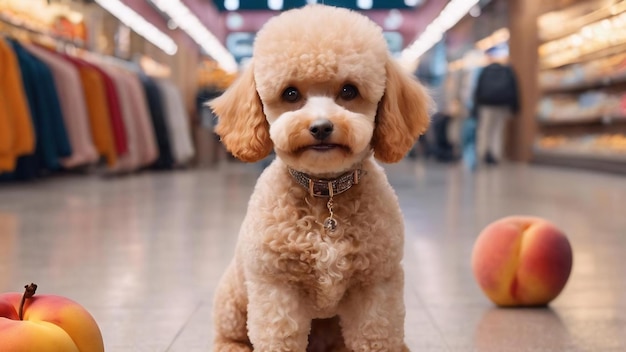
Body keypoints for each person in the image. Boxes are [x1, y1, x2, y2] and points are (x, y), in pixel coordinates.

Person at [473, 44, 519, 165]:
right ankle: (496, 155)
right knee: (498, 130)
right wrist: (515, 107)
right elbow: (514, 90)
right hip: (502, 104)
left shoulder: (485, 71)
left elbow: (477, 90)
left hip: (486, 105)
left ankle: (482, 154)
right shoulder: (507, 70)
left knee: (484, 130)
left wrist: (475, 107)